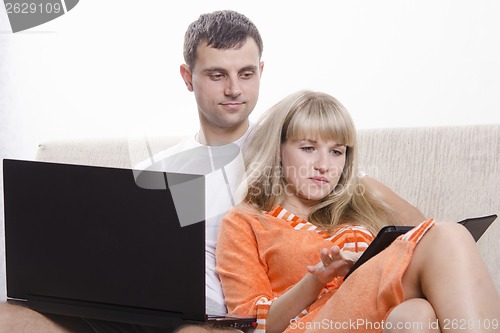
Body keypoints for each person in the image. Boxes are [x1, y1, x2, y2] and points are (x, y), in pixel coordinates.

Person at [0, 10, 425, 332]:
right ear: (188, 77)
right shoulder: (160, 171)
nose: (234, 90)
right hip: (150, 312)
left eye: (245, 73)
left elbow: (392, 219)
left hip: (240, 320)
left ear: (261, 72)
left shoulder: (293, 150)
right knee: (10, 316)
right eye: (217, 75)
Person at [215, 90, 500, 333]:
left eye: (337, 152)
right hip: (308, 326)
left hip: (368, 319)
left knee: (414, 315)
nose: (324, 165)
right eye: (308, 148)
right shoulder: (245, 221)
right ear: (277, 151)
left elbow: (423, 232)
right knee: (448, 235)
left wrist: (361, 184)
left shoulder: (358, 207)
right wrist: (316, 280)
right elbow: (251, 323)